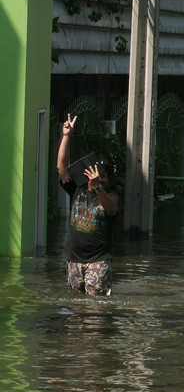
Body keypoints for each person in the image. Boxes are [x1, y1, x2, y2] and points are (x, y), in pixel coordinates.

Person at [57, 114, 120, 296]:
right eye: (97, 174)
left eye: (104, 176)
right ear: (87, 174)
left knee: (95, 310)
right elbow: (61, 168)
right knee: (76, 308)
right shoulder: (78, 191)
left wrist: (99, 187)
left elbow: (112, 210)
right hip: (74, 259)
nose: (101, 179)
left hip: (98, 260)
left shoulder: (111, 196)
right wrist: (67, 135)